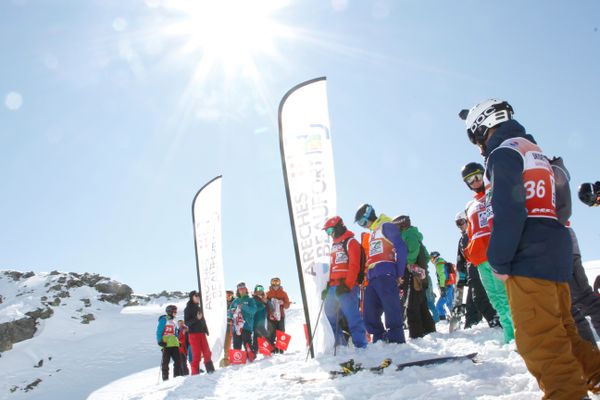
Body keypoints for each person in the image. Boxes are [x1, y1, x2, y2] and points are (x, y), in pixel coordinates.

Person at [460, 98, 600, 399]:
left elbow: (509, 210)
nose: (478, 146)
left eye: (475, 137)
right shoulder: (533, 151)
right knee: (563, 330)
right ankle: (596, 375)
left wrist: (498, 260)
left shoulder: (503, 153)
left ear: (482, 126)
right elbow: (559, 207)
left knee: (539, 341)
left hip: (527, 257)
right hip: (555, 248)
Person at [461, 161, 512, 340]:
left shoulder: (494, 192)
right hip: (479, 256)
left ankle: (518, 334)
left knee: (506, 296)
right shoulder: (470, 205)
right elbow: (471, 231)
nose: (474, 182)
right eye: (469, 180)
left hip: (496, 251)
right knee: (495, 299)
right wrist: (468, 251)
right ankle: (509, 333)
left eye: (477, 177)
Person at [354, 204, 408, 344]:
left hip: (386, 273)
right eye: (360, 224)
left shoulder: (386, 226)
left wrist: (399, 273)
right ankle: (380, 340)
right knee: (369, 313)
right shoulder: (372, 233)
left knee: (391, 308)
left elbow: (401, 248)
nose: (363, 226)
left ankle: (397, 341)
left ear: (369, 216)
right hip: (372, 277)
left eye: (363, 222)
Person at [321, 216, 367, 349]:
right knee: (329, 315)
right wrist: (327, 286)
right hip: (333, 287)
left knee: (352, 317)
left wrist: (347, 285)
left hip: (347, 287)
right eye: (327, 232)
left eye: (329, 231)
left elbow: (354, 265)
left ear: (338, 227)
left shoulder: (350, 241)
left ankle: (361, 346)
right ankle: (340, 344)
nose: (329, 235)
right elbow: (333, 266)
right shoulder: (334, 245)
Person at [392, 215, 436, 339]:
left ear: (402, 224)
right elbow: (426, 256)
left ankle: (416, 334)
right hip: (418, 273)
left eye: (396, 226)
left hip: (411, 272)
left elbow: (414, 250)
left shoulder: (408, 234)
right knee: (420, 303)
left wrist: (408, 263)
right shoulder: (414, 235)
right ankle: (429, 329)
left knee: (411, 304)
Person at [454, 211, 499, 329]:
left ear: (467, 220)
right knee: (473, 300)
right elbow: (460, 260)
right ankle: (471, 322)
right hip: (471, 272)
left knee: (482, 297)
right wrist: (461, 277)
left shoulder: (474, 233)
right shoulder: (462, 238)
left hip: (480, 267)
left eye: (461, 222)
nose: (459, 226)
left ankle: (495, 318)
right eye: (457, 223)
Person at [569, 227, 600, 345]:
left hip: (561, 248)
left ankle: (591, 358)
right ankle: (590, 358)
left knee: (584, 300)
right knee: (569, 308)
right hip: (551, 250)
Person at [184, 290, 214, 374]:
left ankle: (210, 370)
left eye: (198, 296)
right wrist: (196, 318)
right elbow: (186, 322)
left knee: (207, 352)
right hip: (193, 335)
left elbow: (202, 319)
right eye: (196, 296)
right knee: (196, 355)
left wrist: (206, 329)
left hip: (201, 333)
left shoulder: (198, 307)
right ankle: (195, 373)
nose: (198, 297)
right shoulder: (188, 309)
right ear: (191, 297)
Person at [228, 282, 257, 360]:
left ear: (246, 289)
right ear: (238, 290)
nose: (242, 290)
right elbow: (229, 313)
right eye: (240, 289)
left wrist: (244, 306)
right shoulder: (235, 301)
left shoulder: (250, 300)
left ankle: (251, 356)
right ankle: (237, 361)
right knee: (236, 345)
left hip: (246, 326)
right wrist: (232, 312)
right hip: (236, 327)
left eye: (243, 288)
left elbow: (253, 310)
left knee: (247, 343)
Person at [156, 305, 182, 380]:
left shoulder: (174, 321)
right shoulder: (164, 320)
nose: (175, 313)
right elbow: (159, 331)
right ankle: (165, 378)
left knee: (178, 361)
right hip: (166, 344)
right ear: (170, 312)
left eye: (176, 311)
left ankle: (176, 377)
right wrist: (159, 341)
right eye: (174, 311)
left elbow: (175, 332)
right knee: (165, 362)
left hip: (174, 344)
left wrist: (178, 341)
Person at [266, 277, 290, 353]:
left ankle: (281, 349)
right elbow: (264, 303)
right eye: (274, 283)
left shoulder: (283, 293)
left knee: (281, 331)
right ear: (271, 284)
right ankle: (272, 349)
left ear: (279, 283)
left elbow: (287, 305)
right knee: (271, 332)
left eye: (277, 283)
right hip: (271, 316)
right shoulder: (268, 293)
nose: (275, 285)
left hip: (281, 316)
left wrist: (282, 303)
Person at [430, 252, 455, 321]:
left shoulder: (439, 264)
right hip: (449, 285)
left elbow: (442, 276)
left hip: (446, 286)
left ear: (435, 257)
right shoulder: (443, 262)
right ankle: (452, 317)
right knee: (448, 303)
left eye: (431, 258)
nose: (431, 261)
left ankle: (444, 319)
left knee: (440, 305)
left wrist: (442, 287)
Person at [251, 284, 270, 354]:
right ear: (255, 291)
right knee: (258, 336)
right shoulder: (253, 300)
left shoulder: (263, 299)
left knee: (262, 336)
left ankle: (262, 350)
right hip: (256, 322)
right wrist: (263, 305)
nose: (260, 291)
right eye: (258, 289)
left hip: (262, 322)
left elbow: (269, 309)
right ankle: (254, 352)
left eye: (261, 289)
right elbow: (254, 309)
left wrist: (266, 303)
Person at [220, 290, 235, 367]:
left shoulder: (235, 302)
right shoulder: (222, 303)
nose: (228, 295)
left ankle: (236, 357)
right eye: (227, 294)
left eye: (230, 294)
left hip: (233, 325)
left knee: (233, 341)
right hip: (224, 325)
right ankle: (226, 359)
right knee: (227, 343)